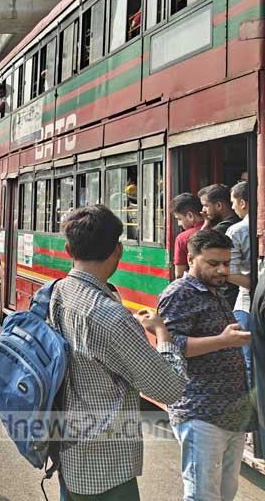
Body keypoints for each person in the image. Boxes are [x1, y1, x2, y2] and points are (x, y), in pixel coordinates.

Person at [50, 205, 188, 499]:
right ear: (119, 250)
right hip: (105, 466)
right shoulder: (112, 317)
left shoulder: (58, 292)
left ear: (67, 249)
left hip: (69, 451)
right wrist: (162, 334)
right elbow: (169, 388)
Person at [157, 229, 253, 501]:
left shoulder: (215, 292)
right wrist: (223, 341)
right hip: (200, 411)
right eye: (213, 263)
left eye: (226, 263)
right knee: (202, 494)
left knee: (225, 491)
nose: (222, 270)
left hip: (231, 411)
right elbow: (170, 345)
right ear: (190, 260)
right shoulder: (179, 293)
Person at [226, 182, 253, 378]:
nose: (232, 207)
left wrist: (256, 286)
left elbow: (230, 273)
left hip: (247, 303)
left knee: (248, 361)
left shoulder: (237, 231)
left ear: (243, 203)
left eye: (233, 202)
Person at [199, 183, 241, 307]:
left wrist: (205, 225)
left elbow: (199, 247)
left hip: (227, 292)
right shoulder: (237, 222)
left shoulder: (220, 230)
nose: (203, 210)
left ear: (218, 205)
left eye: (206, 206)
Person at [171, 193, 204, 278]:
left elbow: (179, 274)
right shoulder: (219, 229)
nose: (179, 224)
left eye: (179, 219)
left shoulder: (182, 238)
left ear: (190, 216)